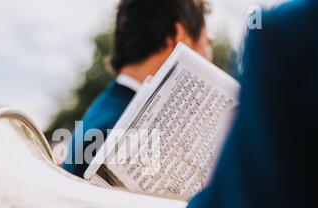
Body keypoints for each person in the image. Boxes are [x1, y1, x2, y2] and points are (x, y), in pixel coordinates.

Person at [145, 0, 318, 208]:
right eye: (207, 41)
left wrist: (223, 180)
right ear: (179, 35)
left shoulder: (293, 33)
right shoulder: (293, 35)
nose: (208, 51)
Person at [63, 0, 211, 177]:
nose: (209, 56)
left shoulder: (106, 112)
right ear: (178, 37)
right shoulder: (125, 131)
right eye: (207, 41)